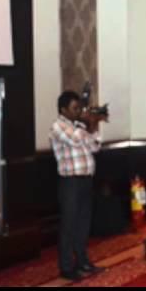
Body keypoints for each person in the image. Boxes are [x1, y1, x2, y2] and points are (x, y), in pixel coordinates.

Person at [49, 91, 106, 281]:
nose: (78, 111)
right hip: (70, 182)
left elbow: (95, 146)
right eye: (75, 108)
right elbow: (75, 139)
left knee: (83, 224)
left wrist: (93, 125)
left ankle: (82, 261)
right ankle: (66, 267)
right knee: (69, 225)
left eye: (79, 108)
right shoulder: (57, 127)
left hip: (85, 180)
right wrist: (89, 124)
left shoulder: (78, 126)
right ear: (63, 109)